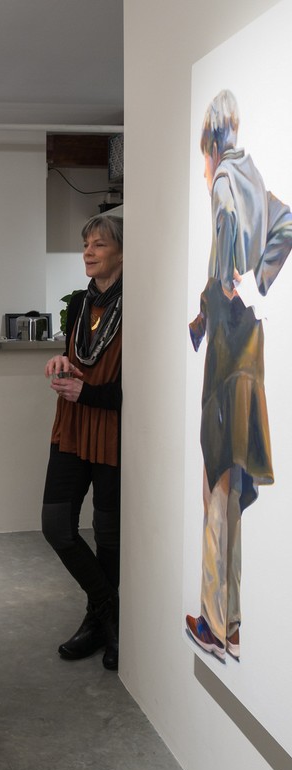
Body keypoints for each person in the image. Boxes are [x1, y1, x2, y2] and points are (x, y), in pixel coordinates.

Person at [185, 90, 292, 660]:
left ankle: (212, 620)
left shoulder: (226, 177)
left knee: (217, 488)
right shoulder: (254, 178)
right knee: (233, 484)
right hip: (251, 355)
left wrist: (227, 281)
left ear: (210, 142)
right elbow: (286, 222)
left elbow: (226, 225)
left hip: (228, 359)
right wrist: (252, 283)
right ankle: (232, 619)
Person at [41, 214, 123, 672]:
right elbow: (79, 357)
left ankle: (101, 625)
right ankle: (110, 612)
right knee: (57, 526)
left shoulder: (138, 302)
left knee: (109, 537)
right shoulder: (79, 302)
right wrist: (62, 361)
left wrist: (89, 391)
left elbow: (141, 387)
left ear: (124, 253)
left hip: (111, 430)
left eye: (100, 245)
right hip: (71, 426)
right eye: (86, 244)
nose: (89, 252)